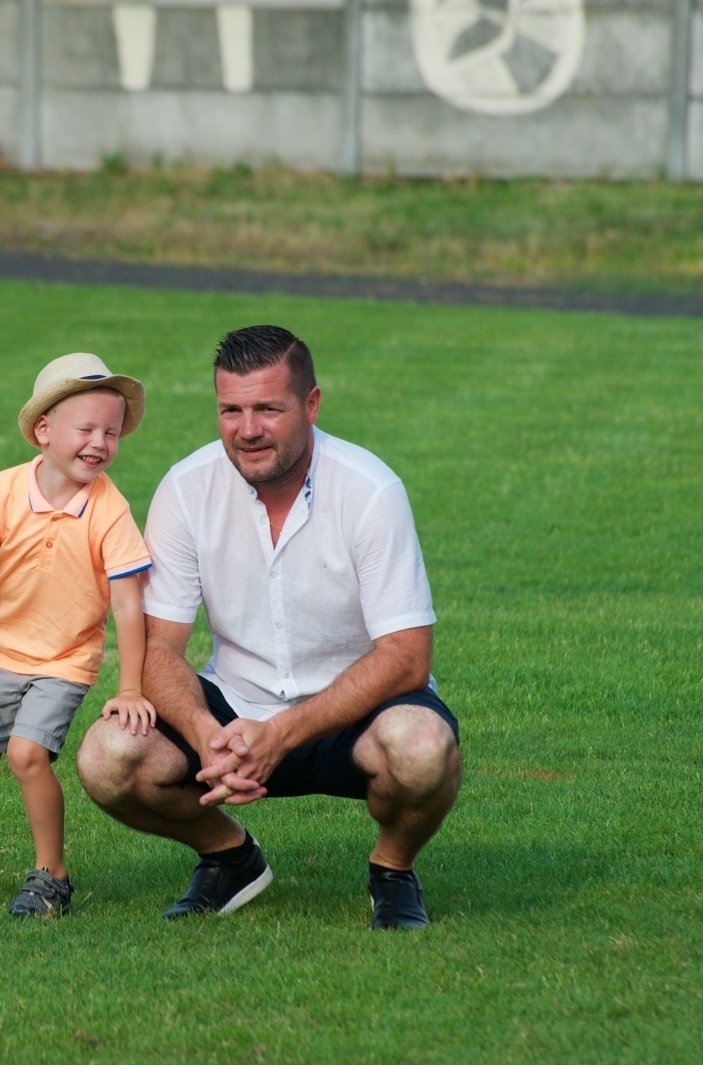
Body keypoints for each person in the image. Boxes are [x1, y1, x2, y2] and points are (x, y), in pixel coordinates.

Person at [76, 325, 462, 930]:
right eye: (230, 409)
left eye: (267, 409)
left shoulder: (370, 490)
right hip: (235, 708)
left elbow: (407, 657)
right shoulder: (186, 487)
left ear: (310, 405)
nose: (247, 429)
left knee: (423, 750)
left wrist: (281, 735)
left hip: (356, 711)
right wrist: (206, 733)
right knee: (108, 756)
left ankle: (392, 870)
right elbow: (156, 648)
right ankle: (229, 857)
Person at [0, 353, 156, 919]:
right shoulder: (0, 490)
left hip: (64, 660)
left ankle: (51, 875)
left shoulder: (110, 509)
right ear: (44, 430)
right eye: (86, 429)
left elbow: (127, 602)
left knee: (26, 755)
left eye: (110, 432)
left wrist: (132, 687)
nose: (99, 443)